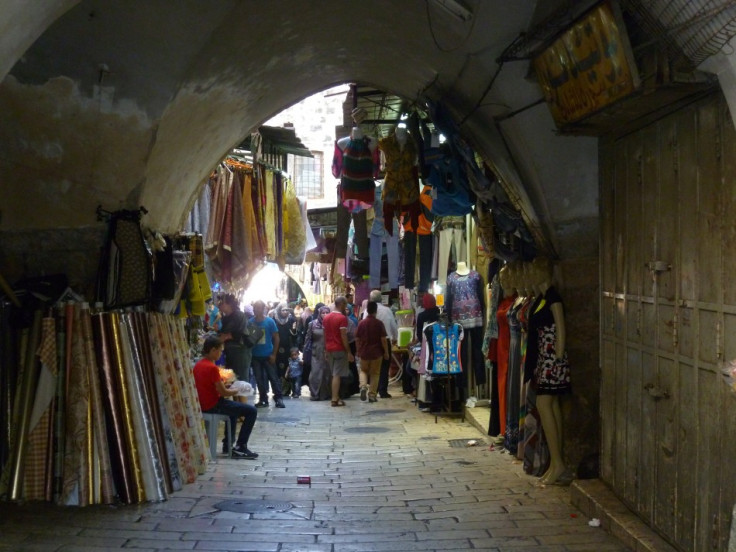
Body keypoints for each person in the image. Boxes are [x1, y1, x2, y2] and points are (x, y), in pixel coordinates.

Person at [525, 257, 571, 485]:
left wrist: (559, 357)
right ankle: (556, 462)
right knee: (551, 405)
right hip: (545, 358)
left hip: (553, 358)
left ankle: (559, 462)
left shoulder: (553, 297)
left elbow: (561, 327)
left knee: (545, 404)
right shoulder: (542, 299)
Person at [193, 335, 258, 459]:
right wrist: (237, 390)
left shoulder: (199, 365)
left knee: (233, 411)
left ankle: (228, 446)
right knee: (251, 411)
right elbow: (224, 393)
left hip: (203, 403)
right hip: (213, 405)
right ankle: (241, 446)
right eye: (220, 351)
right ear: (213, 350)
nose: (221, 354)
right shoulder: (212, 368)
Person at [362, 289, 398, 398]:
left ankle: (374, 389)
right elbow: (393, 325)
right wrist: (395, 338)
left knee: (373, 367)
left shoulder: (366, 311)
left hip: (371, 341)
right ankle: (383, 390)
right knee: (384, 366)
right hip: (385, 341)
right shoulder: (387, 310)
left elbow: (364, 325)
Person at [250, 300, 285, 408]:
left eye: (259, 307)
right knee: (259, 379)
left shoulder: (270, 322)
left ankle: (278, 398)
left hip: (268, 355)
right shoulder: (250, 322)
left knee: (273, 377)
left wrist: (274, 354)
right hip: (255, 356)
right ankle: (263, 399)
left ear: (263, 308)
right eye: (255, 307)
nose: (256, 310)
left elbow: (276, 337)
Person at [322, 296, 354, 407]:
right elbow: (343, 336)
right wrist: (349, 351)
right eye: (345, 305)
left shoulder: (326, 318)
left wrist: (325, 350)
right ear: (341, 304)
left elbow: (324, 335)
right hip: (339, 349)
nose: (346, 308)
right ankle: (334, 398)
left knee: (334, 374)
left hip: (329, 348)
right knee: (337, 375)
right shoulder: (342, 319)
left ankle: (336, 397)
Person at [355, 301, 389, 402]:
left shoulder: (361, 323)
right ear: (375, 311)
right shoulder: (379, 323)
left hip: (364, 352)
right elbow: (383, 339)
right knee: (375, 373)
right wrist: (386, 352)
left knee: (363, 371)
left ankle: (363, 386)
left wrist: (358, 350)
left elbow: (357, 338)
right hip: (377, 353)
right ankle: (372, 395)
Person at [217, 294, 253, 385]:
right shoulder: (225, 317)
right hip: (230, 352)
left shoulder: (238, 315)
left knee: (241, 381)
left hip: (240, 352)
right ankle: (236, 399)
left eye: (222, 303)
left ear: (229, 304)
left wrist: (226, 336)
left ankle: (240, 399)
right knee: (232, 381)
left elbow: (239, 333)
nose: (219, 305)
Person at [305, 305, 331, 401]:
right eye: (323, 313)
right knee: (315, 373)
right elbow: (308, 339)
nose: (325, 315)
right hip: (316, 352)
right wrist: (305, 353)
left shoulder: (331, 324)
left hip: (328, 351)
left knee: (326, 373)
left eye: (327, 312)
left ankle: (325, 393)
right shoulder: (313, 324)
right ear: (319, 314)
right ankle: (315, 393)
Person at [271, 302, 296, 397]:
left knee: (287, 368)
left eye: (286, 310)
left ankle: (287, 390)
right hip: (276, 348)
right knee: (277, 368)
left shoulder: (291, 320)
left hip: (287, 348)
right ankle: (277, 390)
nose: (285, 312)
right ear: (278, 310)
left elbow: (294, 334)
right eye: (283, 310)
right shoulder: (274, 320)